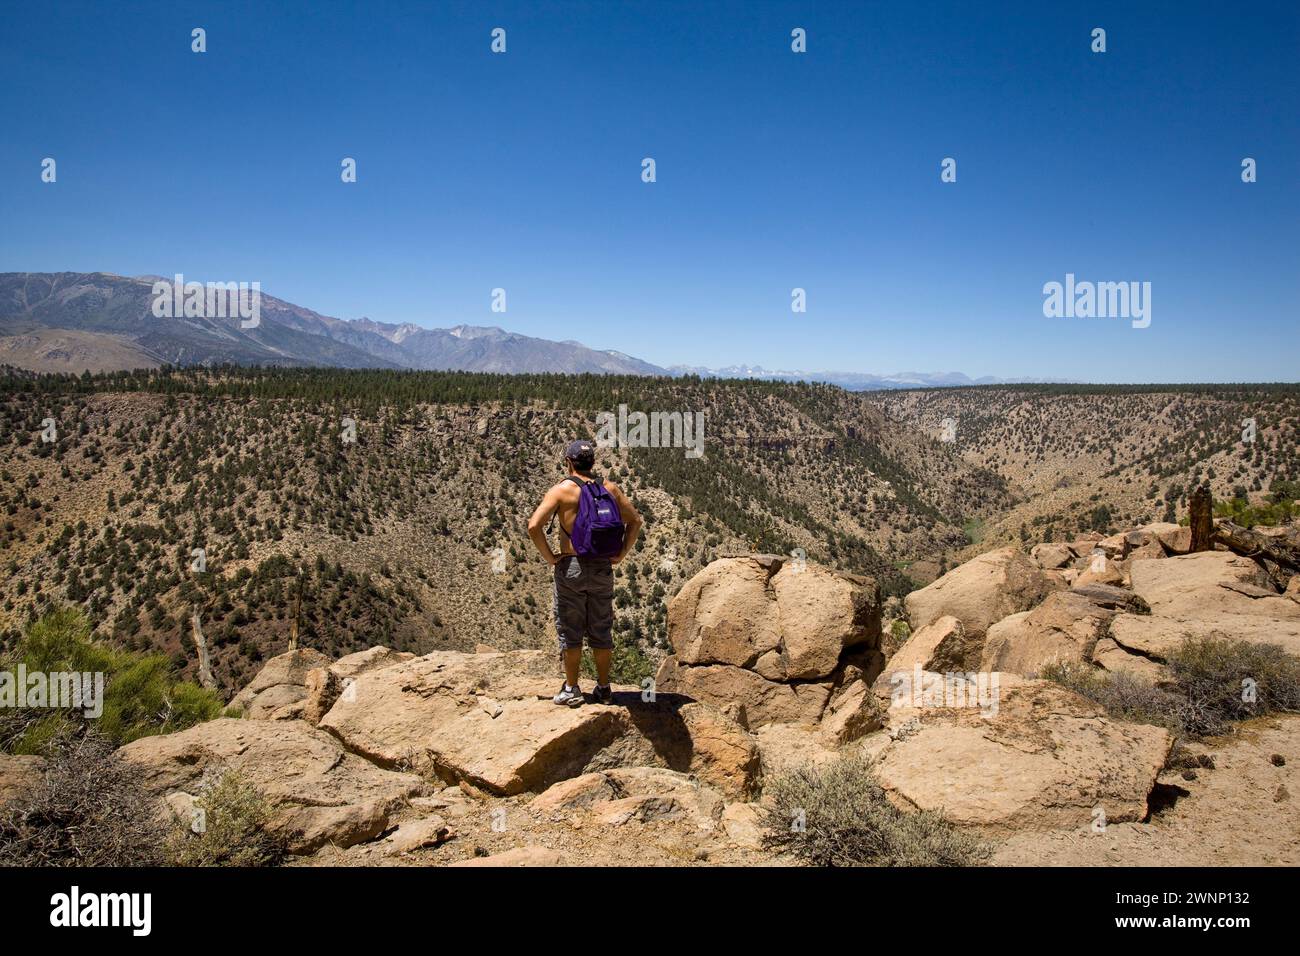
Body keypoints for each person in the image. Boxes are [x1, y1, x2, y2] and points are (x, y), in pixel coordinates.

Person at [527, 439, 642, 706]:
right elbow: (635, 521)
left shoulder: (561, 492)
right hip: (602, 566)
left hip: (571, 567)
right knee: (601, 628)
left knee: (570, 629)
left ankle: (572, 688)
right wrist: (621, 554)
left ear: (568, 462)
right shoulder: (609, 488)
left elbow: (534, 526)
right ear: (593, 463)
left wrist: (551, 558)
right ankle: (603, 688)